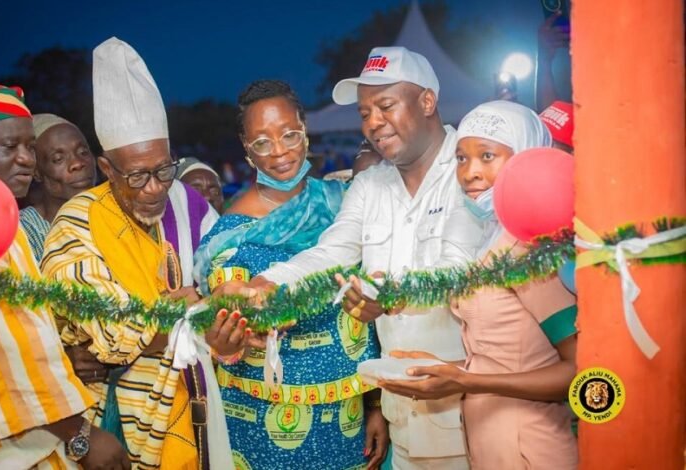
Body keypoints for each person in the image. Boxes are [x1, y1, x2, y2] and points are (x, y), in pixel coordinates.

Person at [232, 47, 473, 469]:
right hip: (404, 416)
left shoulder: (470, 168)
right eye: (365, 112)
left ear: (427, 101)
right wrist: (267, 283)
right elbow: (332, 251)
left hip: (469, 409)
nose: (373, 123)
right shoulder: (371, 185)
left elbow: (457, 266)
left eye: (385, 106)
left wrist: (390, 295)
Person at [41, 37, 233, 470]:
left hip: (194, 413)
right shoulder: (78, 222)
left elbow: (232, 282)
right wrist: (197, 307)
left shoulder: (190, 203)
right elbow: (115, 330)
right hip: (111, 433)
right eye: (137, 176)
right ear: (107, 169)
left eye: (164, 169)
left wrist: (204, 302)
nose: (155, 188)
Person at [0, 84, 129, 469]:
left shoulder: (1, 215)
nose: (26, 160)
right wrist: (79, 434)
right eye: (9, 147)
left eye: (30, 147)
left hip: (30, 432)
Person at [193, 79, 387, 469]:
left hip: (345, 417)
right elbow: (223, 339)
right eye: (262, 142)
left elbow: (368, 317)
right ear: (246, 149)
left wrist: (377, 405)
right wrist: (227, 344)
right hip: (258, 423)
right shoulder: (230, 233)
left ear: (305, 129)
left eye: (289, 134)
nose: (279, 151)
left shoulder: (345, 206)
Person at [380, 100, 578, 470]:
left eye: (488, 156)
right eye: (461, 158)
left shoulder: (527, 249)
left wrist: (464, 381)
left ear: (526, 158)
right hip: (491, 443)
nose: (470, 172)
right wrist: (442, 368)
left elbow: (578, 369)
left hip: (530, 446)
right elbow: (502, 358)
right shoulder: (494, 238)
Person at [20, 113, 97, 261]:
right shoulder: (25, 232)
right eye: (58, 159)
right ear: (36, 172)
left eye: (83, 152)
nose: (77, 163)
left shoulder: (116, 214)